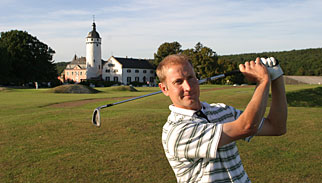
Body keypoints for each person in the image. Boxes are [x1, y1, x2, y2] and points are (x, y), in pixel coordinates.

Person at [156, 54, 287, 183]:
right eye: (178, 82)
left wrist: (276, 77)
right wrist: (263, 81)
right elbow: (247, 127)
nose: (188, 87)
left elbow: (276, 127)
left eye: (190, 78)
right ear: (164, 88)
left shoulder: (222, 110)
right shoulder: (177, 131)